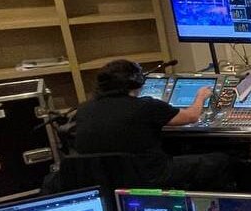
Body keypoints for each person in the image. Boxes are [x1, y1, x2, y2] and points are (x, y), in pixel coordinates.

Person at [72, 59, 231, 190]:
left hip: (105, 181)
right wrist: (201, 96)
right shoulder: (145, 106)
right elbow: (191, 116)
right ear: (137, 81)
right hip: (150, 176)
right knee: (220, 160)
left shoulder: (84, 109)